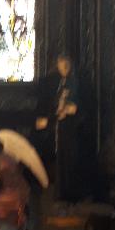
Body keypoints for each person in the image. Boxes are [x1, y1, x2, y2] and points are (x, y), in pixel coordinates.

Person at [34, 54, 90, 203]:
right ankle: (62, 194)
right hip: (61, 128)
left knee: (69, 159)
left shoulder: (73, 82)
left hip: (70, 128)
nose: (63, 68)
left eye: (66, 65)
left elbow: (72, 107)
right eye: (61, 65)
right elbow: (58, 106)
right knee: (61, 160)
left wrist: (64, 111)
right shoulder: (61, 83)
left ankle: (70, 195)